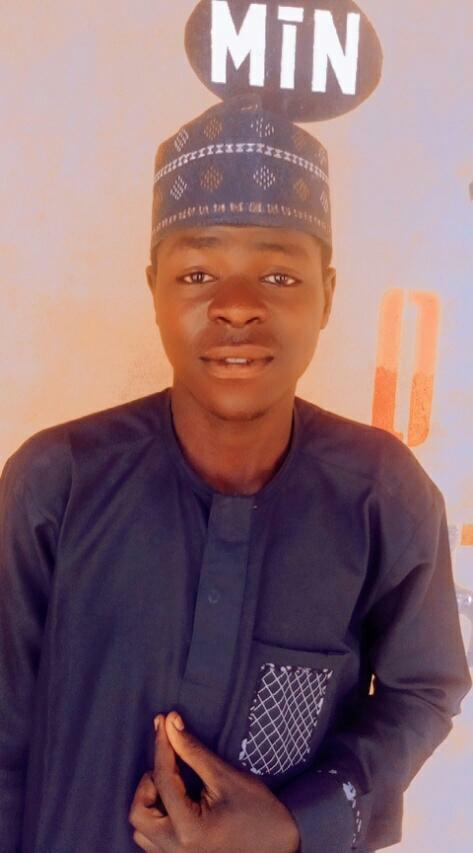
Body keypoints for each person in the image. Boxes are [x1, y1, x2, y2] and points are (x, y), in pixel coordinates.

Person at [0, 95, 470, 853]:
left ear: (328, 295)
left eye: (279, 276)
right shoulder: (56, 484)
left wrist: (297, 822)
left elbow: (423, 690)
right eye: (197, 272)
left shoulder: (382, 494)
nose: (238, 307)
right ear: (154, 290)